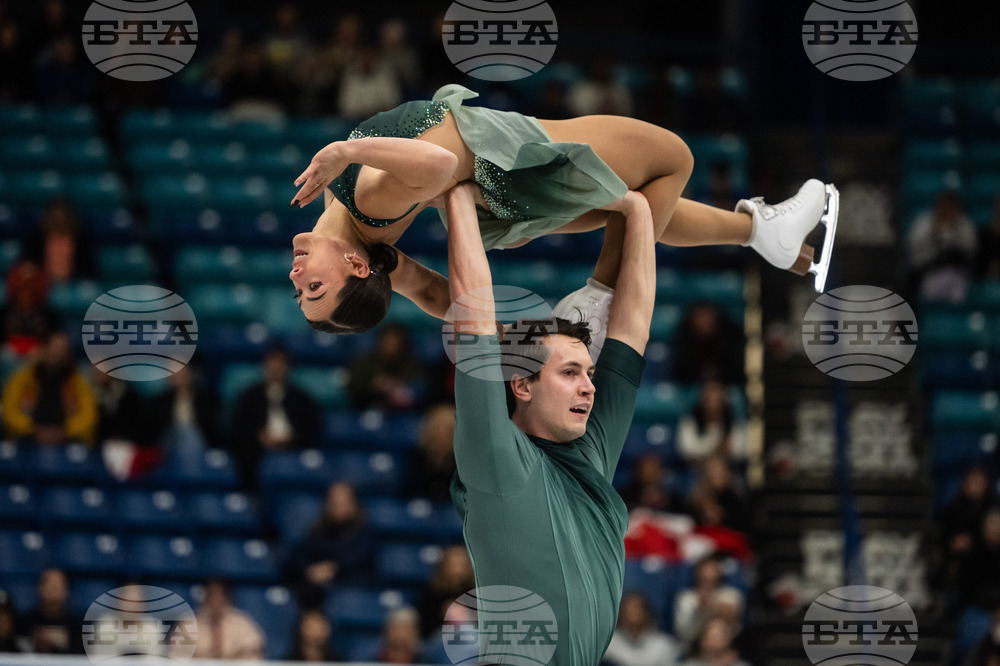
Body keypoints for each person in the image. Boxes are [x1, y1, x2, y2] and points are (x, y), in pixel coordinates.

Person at [287, 83, 836, 333]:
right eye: (314, 289)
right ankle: (599, 301)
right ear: (355, 268)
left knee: (636, 206)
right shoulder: (364, 201)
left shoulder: (374, 245)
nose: (298, 278)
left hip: (498, 179)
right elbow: (431, 165)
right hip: (509, 162)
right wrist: (344, 150)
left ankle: (760, 232)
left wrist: (505, 336)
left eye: (301, 291)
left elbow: (433, 293)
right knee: (673, 158)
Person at [441, 178, 654, 664]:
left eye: (589, 373)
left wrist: (636, 209)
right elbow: (473, 315)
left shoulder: (588, 454)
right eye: (570, 372)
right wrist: (458, 197)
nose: (590, 387)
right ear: (521, 385)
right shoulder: (497, 459)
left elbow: (632, 327)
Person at [228, 344, 322, 491]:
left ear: (288, 367)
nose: (276, 367)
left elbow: (313, 429)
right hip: (258, 456)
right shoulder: (249, 396)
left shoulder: (301, 398)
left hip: (294, 454)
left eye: (280, 362)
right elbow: (238, 427)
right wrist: (259, 437)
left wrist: (292, 438)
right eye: (272, 362)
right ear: (264, 365)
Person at [283, 481, 378, 608]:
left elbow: (359, 561)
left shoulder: (366, 535)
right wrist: (310, 571)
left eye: (344, 501)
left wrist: (334, 568)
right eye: (333, 501)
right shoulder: (317, 532)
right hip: (318, 599)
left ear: (355, 504)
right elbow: (298, 559)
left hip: (354, 596)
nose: (338, 506)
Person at [1, 329, 98, 445]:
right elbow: (9, 412)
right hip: (26, 440)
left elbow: (89, 416)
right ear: (44, 348)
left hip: (67, 440)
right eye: (54, 348)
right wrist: (34, 430)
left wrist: (64, 432)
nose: (58, 354)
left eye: (62, 350)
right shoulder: (23, 378)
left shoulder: (78, 382)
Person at [906, 189, 978, 304]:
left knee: (959, 296)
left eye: (950, 207)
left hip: (958, 273)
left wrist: (955, 228)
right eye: (943, 206)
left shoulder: (964, 224)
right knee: (928, 293)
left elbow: (971, 248)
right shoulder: (924, 222)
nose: (946, 210)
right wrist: (933, 231)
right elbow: (912, 245)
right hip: (930, 271)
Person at [346, 322, 428, 412]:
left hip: (402, 412)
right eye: (388, 341)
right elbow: (353, 386)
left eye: (396, 342)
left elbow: (420, 391)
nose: (392, 346)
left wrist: (398, 387)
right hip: (366, 408)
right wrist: (372, 385)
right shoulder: (365, 363)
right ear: (380, 341)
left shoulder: (413, 365)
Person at [185, 578, 265, 661]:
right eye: (211, 595)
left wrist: (232, 658)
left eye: (220, 595)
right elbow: (176, 656)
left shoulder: (242, 623)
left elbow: (255, 650)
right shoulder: (188, 624)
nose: (215, 600)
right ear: (204, 598)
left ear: (227, 598)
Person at [676, 380, 748, 466]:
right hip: (696, 470)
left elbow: (743, 450)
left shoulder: (734, 423)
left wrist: (729, 448)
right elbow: (686, 450)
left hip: (729, 469)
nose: (713, 403)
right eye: (709, 397)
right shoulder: (689, 422)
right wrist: (714, 447)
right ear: (702, 400)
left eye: (717, 398)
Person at [603, 591, 681, 666]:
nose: (632, 613)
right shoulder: (609, 645)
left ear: (646, 613)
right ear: (621, 614)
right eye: (628, 610)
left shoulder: (664, 645)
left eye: (636, 608)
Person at [417, 543, 475, 638]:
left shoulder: (475, 593)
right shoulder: (432, 592)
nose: (457, 570)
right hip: (439, 639)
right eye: (453, 564)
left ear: (468, 567)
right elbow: (425, 626)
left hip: (470, 640)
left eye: (461, 565)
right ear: (444, 566)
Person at [404, 401, 458, 502]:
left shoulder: (463, 469)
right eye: (436, 429)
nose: (440, 437)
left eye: (447, 431)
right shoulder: (413, 463)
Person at [21, 568, 83, 654]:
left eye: (57, 585)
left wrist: (64, 643)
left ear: (67, 590)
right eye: (49, 583)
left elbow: (81, 658)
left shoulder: (77, 625)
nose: (53, 588)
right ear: (39, 588)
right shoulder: (25, 621)